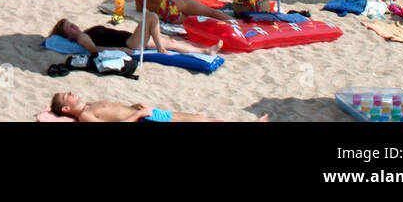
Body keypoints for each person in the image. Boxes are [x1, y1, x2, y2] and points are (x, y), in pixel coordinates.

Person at [50, 14, 221, 55]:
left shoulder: (87, 31)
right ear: (69, 37)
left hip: (131, 39)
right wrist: (120, 50)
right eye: (69, 29)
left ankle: (206, 51)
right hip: (129, 44)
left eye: (71, 24)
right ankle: (161, 48)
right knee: (151, 16)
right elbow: (94, 49)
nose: (73, 27)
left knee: (172, 42)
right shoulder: (81, 37)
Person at [49, 92, 263, 123]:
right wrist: (139, 114)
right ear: (66, 109)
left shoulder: (91, 104)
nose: (72, 93)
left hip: (145, 113)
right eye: (67, 96)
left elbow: (117, 110)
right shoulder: (86, 115)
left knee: (198, 117)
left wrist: (134, 106)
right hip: (144, 120)